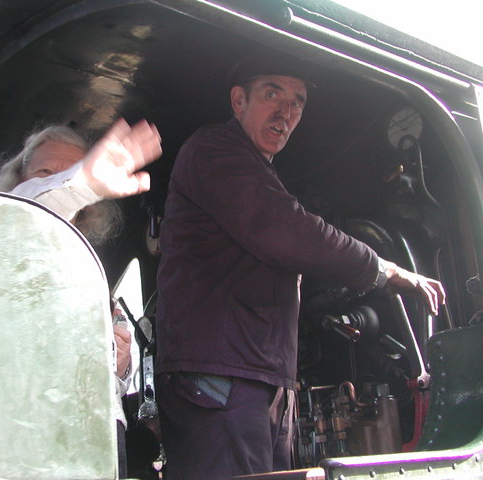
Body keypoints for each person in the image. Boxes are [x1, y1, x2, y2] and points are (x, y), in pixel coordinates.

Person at [154, 53, 445, 480]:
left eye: (297, 102)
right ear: (238, 101)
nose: (285, 112)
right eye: (272, 93)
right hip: (221, 374)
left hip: (260, 378)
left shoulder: (258, 171)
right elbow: (286, 230)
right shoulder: (214, 149)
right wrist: (385, 270)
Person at [0, 118, 162, 478]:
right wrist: (81, 182)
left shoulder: (86, 265)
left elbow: (113, 378)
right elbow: (21, 216)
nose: (59, 183)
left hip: (98, 435)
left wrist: (122, 362)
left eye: (71, 175)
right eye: (45, 173)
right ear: (20, 181)